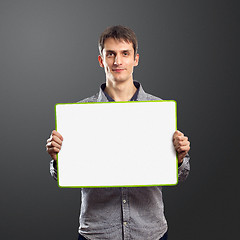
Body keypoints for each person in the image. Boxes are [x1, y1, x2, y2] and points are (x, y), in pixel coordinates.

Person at [46, 25, 190, 240]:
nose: (118, 61)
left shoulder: (158, 109)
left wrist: (178, 159)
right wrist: (58, 160)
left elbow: (181, 174)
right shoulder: (80, 113)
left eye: (125, 54)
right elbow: (62, 176)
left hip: (149, 232)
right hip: (97, 233)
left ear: (136, 59)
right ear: (101, 60)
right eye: (110, 54)